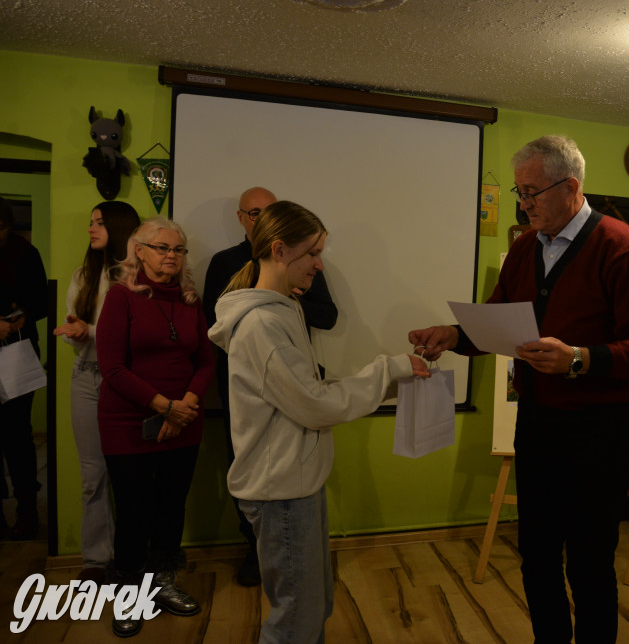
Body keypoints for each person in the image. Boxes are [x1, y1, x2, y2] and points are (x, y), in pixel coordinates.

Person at [409, 135, 629, 643]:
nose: (524, 204)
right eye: (520, 192)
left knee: (590, 563)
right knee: (537, 555)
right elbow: (497, 322)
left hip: (597, 433)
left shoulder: (620, 246)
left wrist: (579, 359)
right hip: (537, 426)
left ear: (570, 187)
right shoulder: (525, 247)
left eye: (532, 193)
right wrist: (453, 336)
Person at [208, 200, 428, 644]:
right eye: (312, 253)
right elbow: (314, 404)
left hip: (297, 483)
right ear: (279, 250)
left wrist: (392, 382)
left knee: (313, 606)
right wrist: (389, 369)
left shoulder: (285, 308)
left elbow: (308, 391)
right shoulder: (261, 324)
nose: (319, 265)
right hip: (281, 491)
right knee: (297, 620)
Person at [202, 185, 338, 586]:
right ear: (242, 219)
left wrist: (291, 299)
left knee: (305, 582)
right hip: (252, 389)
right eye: (254, 213)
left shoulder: (296, 280)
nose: (318, 264)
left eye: (270, 211)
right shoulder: (242, 292)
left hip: (294, 393)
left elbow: (327, 316)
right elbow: (213, 324)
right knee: (257, 469)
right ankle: (257, 548)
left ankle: (282, 557)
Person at [96, 216, 215, 638]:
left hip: (185, 420)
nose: (171, 256)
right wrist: (165, 407)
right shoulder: (120, 297)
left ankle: (162, 581)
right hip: (128, 422)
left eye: (178, 249)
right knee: (133, 510)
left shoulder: (190, 300)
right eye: (162, 247)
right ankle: (129, 593)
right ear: (139, 251)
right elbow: (112, 367)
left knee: (170, 506)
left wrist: (186, 405)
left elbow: (206, 361)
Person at [54, 201, 140, 583]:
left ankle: (131, 558)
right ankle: (96, 559)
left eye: (99, 223)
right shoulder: (82, 275)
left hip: (125, 382)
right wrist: (76, 332)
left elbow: (129, 335)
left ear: (119, 227)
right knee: (93, 476)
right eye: (91, 222)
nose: (91, 228)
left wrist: (87, 331)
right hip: (87, 377)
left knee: (131, 474)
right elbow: (76, 333)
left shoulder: (136, 277)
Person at [0, 197, 48, 541]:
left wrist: (22, 316)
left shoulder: (25, 253)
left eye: (2, 227)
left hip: (17, 351)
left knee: (17, 434)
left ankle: (27, 511)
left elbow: (41, 300)